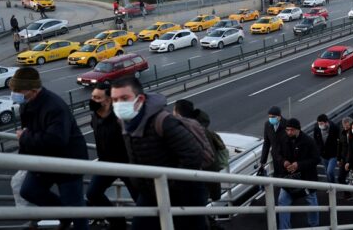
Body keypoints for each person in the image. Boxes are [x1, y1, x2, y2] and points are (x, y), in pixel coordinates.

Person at [111, 77, 207, 230]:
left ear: (140, 98)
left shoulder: (163, 121)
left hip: (181, 193)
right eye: (114, 100)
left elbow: (192, 156)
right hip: (150, 192)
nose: (119, 104)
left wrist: (168, 185)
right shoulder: (125, 123)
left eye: (124, 98)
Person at [12, 67, 89, 230]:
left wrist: (24, 137)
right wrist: (24, 156)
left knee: (76, 208)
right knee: (28, 190)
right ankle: (64, 215)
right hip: (44, 160)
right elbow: (30, 131)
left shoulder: (54, 106)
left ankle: (73, 219)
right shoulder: (27, 104)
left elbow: (56, 139)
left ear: (33, 89)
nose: (14, 93)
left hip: (68, 163)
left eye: (18, 90)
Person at [86, 84, 139, 230]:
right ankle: (117, 222)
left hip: (127, 166)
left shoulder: (120, 118)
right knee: (92, 193)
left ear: (108, 100)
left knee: (140, 200)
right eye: (92, 97)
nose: (92, 100)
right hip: (106, 164)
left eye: (97, 97)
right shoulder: (95, 117)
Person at [276, 118, 320, 229]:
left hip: (307, 179)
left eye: (291, 130)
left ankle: (314, 226)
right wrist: (283, 162)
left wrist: (298, 165)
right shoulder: (283, 139)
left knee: (312, 203)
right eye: (287, 130)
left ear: (298, 129)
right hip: (288, 178)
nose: (289, 132)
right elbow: (278, 154)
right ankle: (284, 228)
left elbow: (316, 159)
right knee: (282, 202)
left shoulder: (309, 141)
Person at [260, 106, 287, 177]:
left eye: (273, 116)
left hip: (287, 158)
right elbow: (266, 143)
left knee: (287, 178)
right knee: (278, 177)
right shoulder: (267, 125)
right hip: (275, 157)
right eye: (269, 117)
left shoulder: (287, 124)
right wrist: (263, 161)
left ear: (279, 116)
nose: (271, 119)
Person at [312, 114, 340, 184]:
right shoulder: (317, 128)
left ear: (326, 122)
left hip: (333, 154)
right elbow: (316, 141)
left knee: (329, 171)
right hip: (323, 155)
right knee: (327, 172)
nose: (320, 125)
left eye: (321, 123)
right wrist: (318, 151)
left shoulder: (334, 128)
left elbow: (340, 141)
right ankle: (330, 186)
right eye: (319, 124)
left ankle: (333, 185)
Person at [336, 117, 353, 199]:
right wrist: (338, 159)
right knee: (340, 178)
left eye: (347, 125)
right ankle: (347, 194)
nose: (345, 127)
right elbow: (339, 146)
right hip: (344, 159)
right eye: (344, 125)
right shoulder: (342, 133)